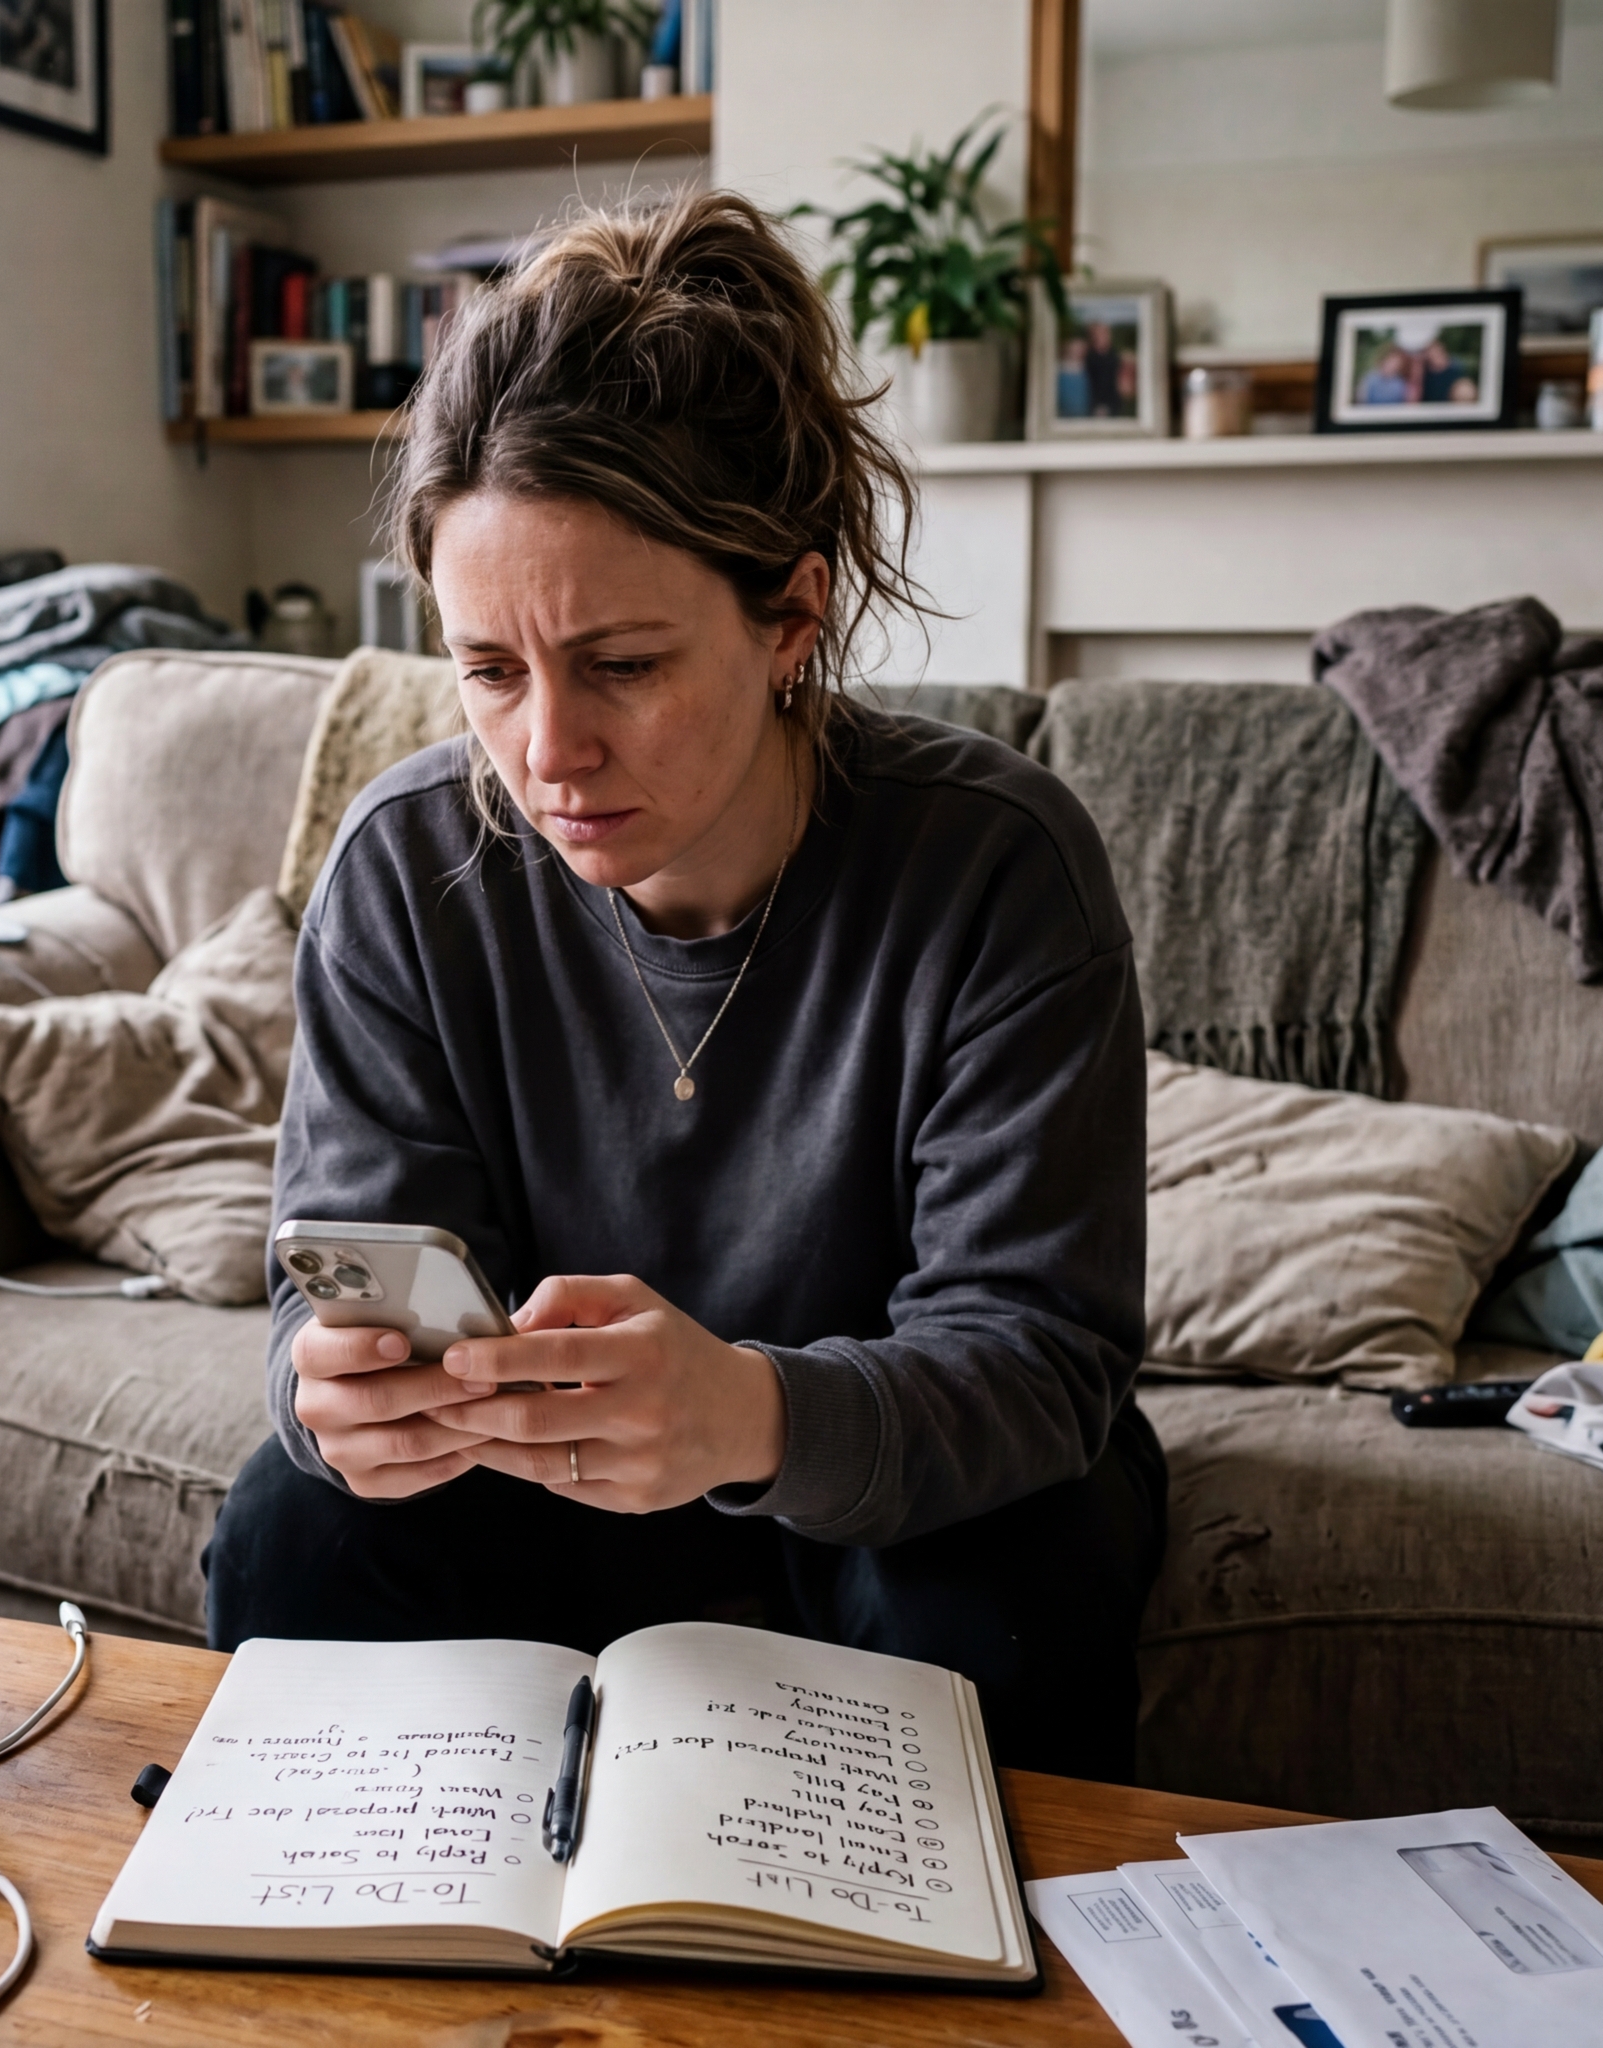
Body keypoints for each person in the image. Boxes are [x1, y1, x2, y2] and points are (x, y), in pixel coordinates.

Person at [204, 192, 1165, 1784]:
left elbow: (1038, 1357)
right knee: (287, 1533)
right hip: (542, 1486)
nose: (548, 754)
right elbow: (342, 1279)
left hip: (893, 1485)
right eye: (489, 671)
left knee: (1012, 1587)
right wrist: (336, 1403)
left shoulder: (997, 867)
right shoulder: (404, 868)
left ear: (792, 616)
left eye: (624, 665)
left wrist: (745, 1414)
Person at [1083, 319, 1126, 416]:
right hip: (1096, 405)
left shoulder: (1115, 355)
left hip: (1115, 404)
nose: (1100, 337)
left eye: (1103, 334)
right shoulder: (1088, 358)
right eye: (1096, 334)